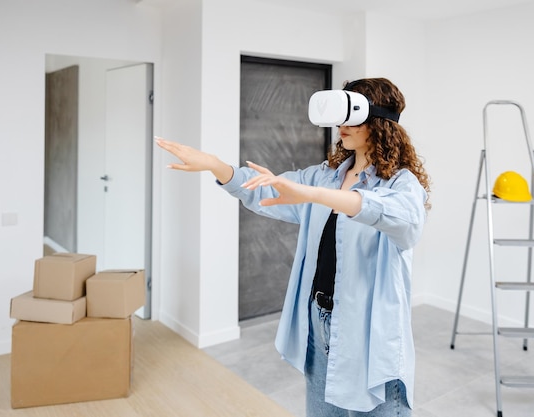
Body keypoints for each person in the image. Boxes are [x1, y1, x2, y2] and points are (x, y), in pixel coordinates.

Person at [156, 77, 430, 417]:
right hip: (319, 319)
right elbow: (267, 190)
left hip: (368, 332)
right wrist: (217, 166)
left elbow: (400, 218)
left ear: (377, 121)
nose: (341, 125)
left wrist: (313, 195)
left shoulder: (402, 185)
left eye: (351, 114)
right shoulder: (326, 175)